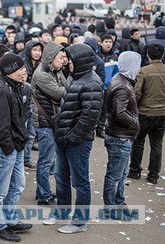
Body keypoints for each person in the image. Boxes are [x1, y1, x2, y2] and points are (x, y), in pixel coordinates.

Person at [46, 44, 103, 233]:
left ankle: (80, 222)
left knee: (80, 182)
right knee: (61, 177)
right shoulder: (74, 75)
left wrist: (72, 137)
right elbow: (67, 105)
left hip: (77, 141)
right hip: (63, 137)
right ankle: (62, 212)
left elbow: (89, 117)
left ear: (81, 60)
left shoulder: (92, 82)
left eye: (70, 59)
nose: (67, 62)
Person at [0, 53, 33, 242]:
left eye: (24, 68)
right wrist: (9, 148)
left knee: (17, 185)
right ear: (9, 71)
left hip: (15, 145)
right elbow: (0, 127)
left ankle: (10, 219)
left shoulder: (14, 86)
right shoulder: (2, 91)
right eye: (20, 69)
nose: (24, 72)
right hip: (4, 148)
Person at [103, 51, 141, 212]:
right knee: (115, 174)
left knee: (122, 173)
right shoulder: (122, 86)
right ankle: (110, 207)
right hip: (120, 136)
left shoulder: (122, 81)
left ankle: (118, 201)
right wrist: (134, 124)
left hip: (121, 135)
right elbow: (119, 112)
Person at [31, 41, 66, 206]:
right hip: (44, 122)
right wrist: (62, 94)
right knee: (45, 160)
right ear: (51, 58)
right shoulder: (42, 75)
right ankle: (44, 195)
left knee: (49, 160)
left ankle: (42, 191)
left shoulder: (55, 70)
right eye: (60, 57)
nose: (63, 60)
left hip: (51, 120)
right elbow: (61, 93)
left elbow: (66, 86)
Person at [128, 44, 165, 184]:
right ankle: (153, 175)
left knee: (138, 141)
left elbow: (136, 93)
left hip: (145, 112)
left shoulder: (143, 71)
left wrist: (133, 109)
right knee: (157, 144)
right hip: (162, 113)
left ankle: (135, 170)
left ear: (148, 55)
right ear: (162, 55)